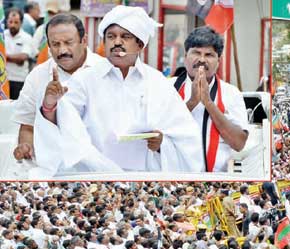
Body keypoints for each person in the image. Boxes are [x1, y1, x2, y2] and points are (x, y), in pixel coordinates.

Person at [33, 5, 203, 174]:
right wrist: (50, 104)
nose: (117, 42)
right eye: (111, 36)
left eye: (125, 36)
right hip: (95, 178)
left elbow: (186, 137)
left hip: (145, 180)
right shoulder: (84, 80)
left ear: (140, 44)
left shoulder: (157, 82)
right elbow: (63, 126)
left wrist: (162, 144)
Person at [12, 14, 103, 162]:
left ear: (84, 41)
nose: (62, 51)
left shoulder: (105, 71)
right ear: (48, 45)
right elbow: (27, 125)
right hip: (54, 169)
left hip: (102, 169)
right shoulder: (37, 76)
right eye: (55, 44)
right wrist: (26, 146)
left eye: (68, 42)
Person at [174, 27, 248, 172]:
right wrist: (192, 102)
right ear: (185, 55)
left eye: (209, 55)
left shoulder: (232, 93)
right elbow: (159, 135)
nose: (202, 60)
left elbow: (238, 143)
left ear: (219, 61)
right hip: (175, 176)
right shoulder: (166, 87)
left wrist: (208, 103)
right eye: (196, 52)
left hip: (216, 180)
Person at [4, 8, 33, 100]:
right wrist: (14, 59)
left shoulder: (27, 37)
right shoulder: (2, 36)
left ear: (21, 22)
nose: (13, 25)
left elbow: (22, 57)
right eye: (10, 22)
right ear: (6, 22)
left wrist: (4, 56)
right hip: (3, 80)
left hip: (19, 80)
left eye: (16, 22)